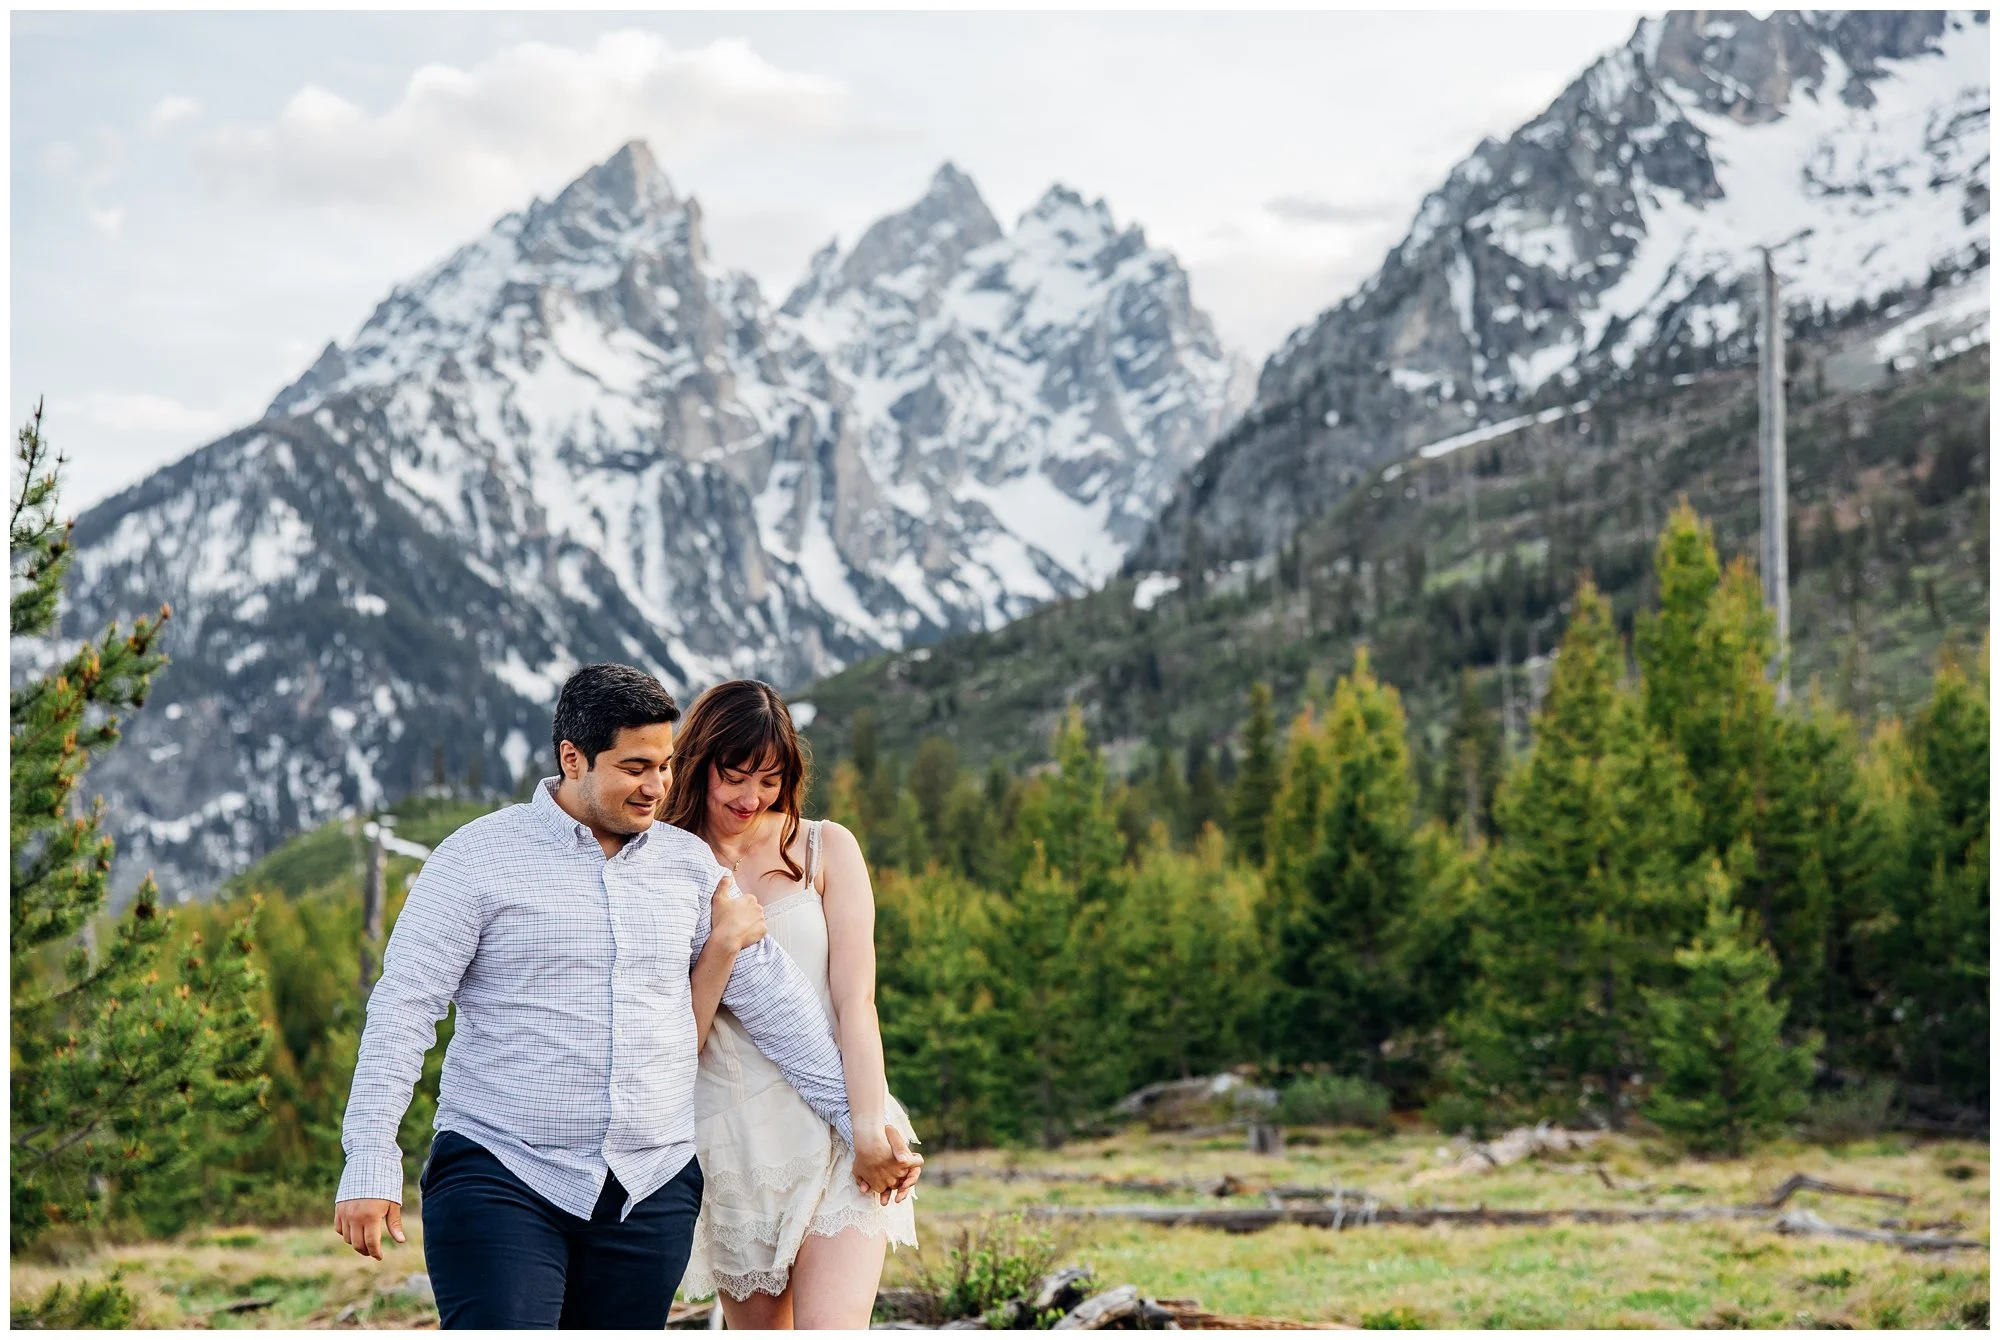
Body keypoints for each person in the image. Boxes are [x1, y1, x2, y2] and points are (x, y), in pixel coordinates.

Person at [331, 663, 919, 1328]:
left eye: (666, 767)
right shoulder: (477, 859)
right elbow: (404, 1008)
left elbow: (782, 1010)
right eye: (637, 767)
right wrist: (372, 1159)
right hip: (501, 1171)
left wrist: (861, 1124)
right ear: (572, 758)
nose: (657, 786)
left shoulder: (691, 868)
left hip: (649, 1192)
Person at [662, 679, 922, 1328]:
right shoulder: (666, 868)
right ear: (700, 766)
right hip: (732, 1148)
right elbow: (673, 1043)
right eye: (735, 777)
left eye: (771, 779)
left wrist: (866, 1123)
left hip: (838, 1129)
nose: (752, 798)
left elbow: (856, 1002)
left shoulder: (827, 848)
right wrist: (721, 947)